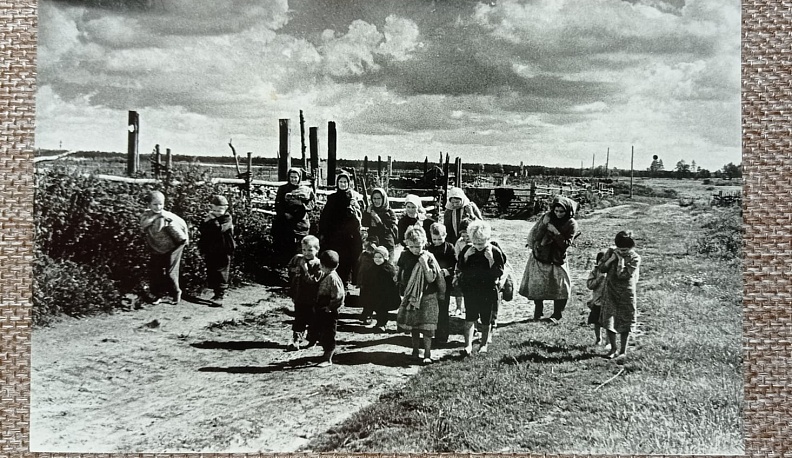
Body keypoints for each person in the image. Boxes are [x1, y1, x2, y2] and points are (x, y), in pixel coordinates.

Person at [518, 196, 580, 324]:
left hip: (557, 258)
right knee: (538, 285)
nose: (558, 214)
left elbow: (565, 244)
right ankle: (538, 311)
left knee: (561, 287)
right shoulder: (547, 217)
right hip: (541, 256)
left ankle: (557, 314)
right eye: (556, 211)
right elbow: (535, 236)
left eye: (561, 212)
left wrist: (555, 232)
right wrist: (544, 225)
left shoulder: (571, 224)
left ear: (568, 211)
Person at [396, 226, 446, 364]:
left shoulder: (428, 257)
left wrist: (424, 263)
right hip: (412, 296)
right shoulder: (404, 255)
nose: (415, 250)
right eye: (411, 246)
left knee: (427, 327)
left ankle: (427, 353)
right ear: (407, 244)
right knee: (414, 326)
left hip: (428, 296)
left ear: (424, 242)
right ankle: (415, 351)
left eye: (418, 246)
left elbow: (431, 278)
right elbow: (400, 273)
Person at [455, 220, 506, 355]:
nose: (478, 246)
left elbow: (499, 272)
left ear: (487, 239)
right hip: (471, 288)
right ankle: (468, 345)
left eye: (481, 243)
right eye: (475, 243)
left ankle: (484, 344)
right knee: (470, 317)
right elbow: (461, 267)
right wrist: (466, 257)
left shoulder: (494, 251)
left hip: (487, 289)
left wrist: (490, 260)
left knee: (486, 318)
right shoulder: (468, 250)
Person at [139, 190, 189, 305]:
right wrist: (156, 217)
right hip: (156, 247)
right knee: (155, 271)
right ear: (149, 204)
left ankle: (176, 293)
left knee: (170, 271)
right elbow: (143, 225)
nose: (158, 207)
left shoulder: (167, 217)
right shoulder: (147, 215)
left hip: (174, 246)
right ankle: (157, 295)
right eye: (155, 204)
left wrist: (185, 239)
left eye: (161, 204)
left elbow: (181, 228)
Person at [599, 231, 641, 359]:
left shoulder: (635, 258)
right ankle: (613, 348)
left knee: (625, 320)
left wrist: (620, 261)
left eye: (626, 249)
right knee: (609, 318)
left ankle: (623, 351)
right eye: (620, 249)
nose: (622, 251)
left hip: (626, 292)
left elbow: (622, 275)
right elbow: (601, 268)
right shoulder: (611, 252)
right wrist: (611, 259)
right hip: (610, 290)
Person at [318, 172, 363, 285]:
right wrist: (323, 232)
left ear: (349, 183)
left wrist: (355, 206)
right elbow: (325, 216)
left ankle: (345, 284)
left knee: (347, 260)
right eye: (340, 182)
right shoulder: (333, 198)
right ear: (337, 183)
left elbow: (360, 215)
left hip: (349, 236)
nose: (343, 184)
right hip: (334, 235)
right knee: (334, 258)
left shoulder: (354, 197)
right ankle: (334, 283)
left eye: (345, 182)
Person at [197, 194, 236, 307]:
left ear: (226, 208)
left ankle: (221, 294)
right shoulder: (210, 218)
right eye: (214, 210)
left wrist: (212, 219)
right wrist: (205, 222)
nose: (217, 212)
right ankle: (216, 292)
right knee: (212, 269)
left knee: (222, 270)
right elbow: (203, 230)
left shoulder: (227, 218)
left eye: (220, 210)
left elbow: (219, 229)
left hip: (224, 248)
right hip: (212, 248)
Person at [286, 235, 323, 350]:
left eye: (310, 250)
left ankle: (312, 339)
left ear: (317, 250)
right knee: (299, 317)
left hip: (312, 296)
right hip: (299, 294)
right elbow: (289, 268)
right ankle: (296, 339)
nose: (306, 253)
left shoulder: (318, 264)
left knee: (312, 318)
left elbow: (314, 281)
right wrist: (295, 270)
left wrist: (305, 269)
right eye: (304, 250)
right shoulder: (298, 258)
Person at [272, 168, 315, 265]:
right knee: (285, 247)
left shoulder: (306, 190)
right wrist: (285, 214)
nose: (293, 179)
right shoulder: (283, 189)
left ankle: (299, 269)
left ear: (299, 178)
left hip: (300, 223)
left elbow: (312, 204)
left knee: (300, 248)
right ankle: (285, 268)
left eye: (295, 177)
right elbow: (278, 204)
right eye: (291, 177)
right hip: (285, 223)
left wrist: (302, 204)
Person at [426, 222, 456, 346]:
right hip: (431, 281)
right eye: (434, 239)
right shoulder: (428, 248)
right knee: (431, 307)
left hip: (444, 282)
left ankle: (442, 336)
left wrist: (448, 271)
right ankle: (430, 334)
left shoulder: (449, 248)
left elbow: (455, 264)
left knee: (443, 308)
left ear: (445, 236)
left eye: (439, 239)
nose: (437, 242)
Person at [315, 250, 345, 367]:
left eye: (325, 267)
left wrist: (330, 307)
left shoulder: (333, 278)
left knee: (329, 333)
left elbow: (339, 296)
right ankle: (325, 353)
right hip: (322, 307)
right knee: (322, 331)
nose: (323, 268)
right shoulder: (324, 274)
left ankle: (328, 358)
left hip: (330, 310)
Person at [359, 245, 400, 331]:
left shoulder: (388, 269)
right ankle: (369, 318)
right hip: (373, 293)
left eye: (380, 257)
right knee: (373, 307)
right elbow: (366, 279)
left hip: (384, 295)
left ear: (385, 258)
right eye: (375, 257)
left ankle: (381, 324)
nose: (377, 259)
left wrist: (392, 292)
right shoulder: (371, 268)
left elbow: (393, 282)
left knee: (382, 310)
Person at [362, 187, 398, 262]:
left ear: (383, 199)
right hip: (373, 244)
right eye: (374, 198)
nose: (376, 201)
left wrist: (377, 218)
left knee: (387, 266)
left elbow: (386, 230)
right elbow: (364, 224)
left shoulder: (390, 213)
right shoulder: (371, 210)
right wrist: (367, 213)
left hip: (386, 243)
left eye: (379, 198)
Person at [451, 218, 474, 317]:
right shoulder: (459, 242)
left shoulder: (476, 241)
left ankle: (470, 307)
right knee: (458, 286)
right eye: (463, 236)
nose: (465, 238)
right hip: (461, 265)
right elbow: (456, 256)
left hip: (473, 268)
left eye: (467, 236)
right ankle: (458, 307)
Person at [355, 235, 380, 323]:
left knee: (371, 299)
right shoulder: (363, 255)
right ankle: (365, 313)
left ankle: (368, 315)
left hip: (372, 282)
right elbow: (359, 266)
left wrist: (376, 250)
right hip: (363, 281)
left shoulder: (376, 256)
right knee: (364, 298)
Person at [586, 250, 607, 346]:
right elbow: (590, 285)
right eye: (600, 261)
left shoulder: (611, 271)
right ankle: (598, 338)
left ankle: (609, 341)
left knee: (608, 322)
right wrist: (599, 279)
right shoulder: (595, 271)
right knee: (596, 321)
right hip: (597, 301)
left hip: (608, 301)